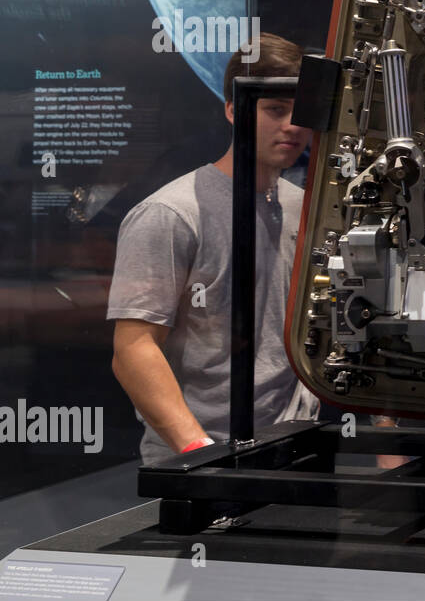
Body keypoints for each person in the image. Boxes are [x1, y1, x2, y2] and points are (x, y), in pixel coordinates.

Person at [106, 35, 318, 465]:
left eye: (302, 111)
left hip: (294, 445)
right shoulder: (171, 213)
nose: (293, 125)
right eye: (275, 109)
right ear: (234, 109)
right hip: (203, 456)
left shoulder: (304, 208)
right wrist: (199, 453)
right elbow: (133, 349)